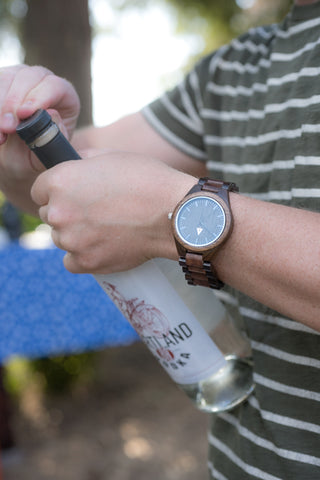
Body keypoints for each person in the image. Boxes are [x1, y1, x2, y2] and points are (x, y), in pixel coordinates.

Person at [0, 0, 319, 477]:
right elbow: (75, 196)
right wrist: (18, 154)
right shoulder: (233, 70)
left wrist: (171, 214)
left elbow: (146, 205)